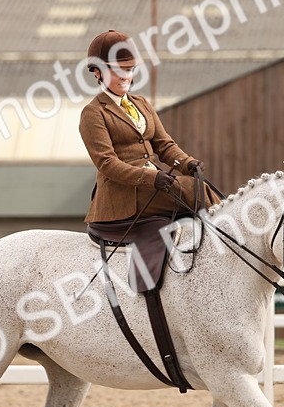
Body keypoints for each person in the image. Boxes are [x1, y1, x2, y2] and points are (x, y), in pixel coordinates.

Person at [79, 29, 219, 293]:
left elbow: (164, 145)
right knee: (191, 190)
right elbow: (107, 163)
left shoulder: (141, 103)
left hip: (153, 185)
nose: (125, 76)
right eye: (116, 70)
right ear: (97, 73)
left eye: (129, 70)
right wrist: (153, 178)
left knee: (198, 184)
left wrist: (187, 163)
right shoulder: (93, 113)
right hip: (123, 195)